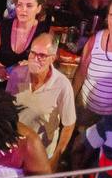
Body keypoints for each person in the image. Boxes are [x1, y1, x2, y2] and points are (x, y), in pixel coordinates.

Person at [7, 33, 76, 169]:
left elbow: (68, 126)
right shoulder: (17, 74)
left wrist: (55, 158)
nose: (35, 59)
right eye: (33, 53)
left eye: (42, 56)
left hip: (41, 154)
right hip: (15, 147)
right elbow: (6, 106)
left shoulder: (62, 85)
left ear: (52, 58)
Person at [0, 0, 46, 83]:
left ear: (38, 8)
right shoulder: (5, 26)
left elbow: (48, 61)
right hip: (0, 80)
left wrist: (31, 64)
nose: (23, 9)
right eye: (19, 5)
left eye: (29, 6)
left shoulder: (44, 32)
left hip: (27, 84)